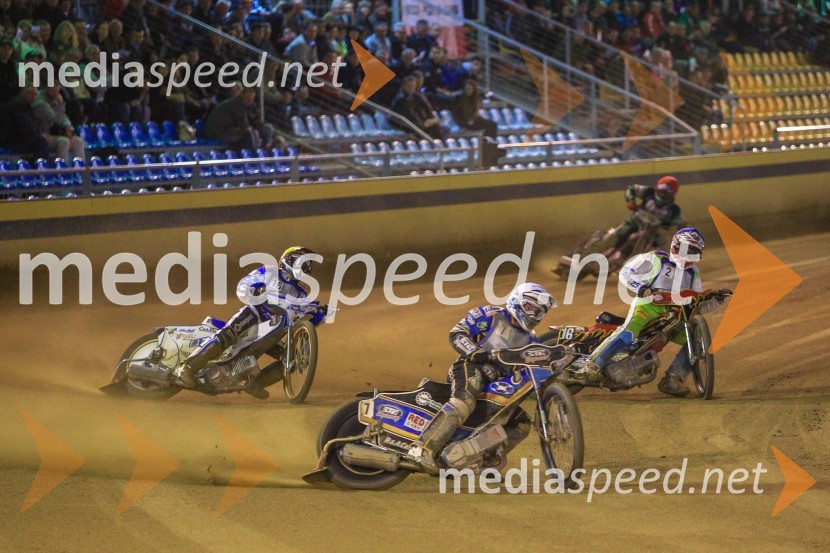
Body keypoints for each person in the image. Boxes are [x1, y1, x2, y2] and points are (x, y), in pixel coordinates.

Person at [408, 283, 556, 471]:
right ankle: (421, 449)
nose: (533, 315)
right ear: (516, 301)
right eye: (529, 307)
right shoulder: (490, 315)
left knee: (521, 423)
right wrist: (475, 351)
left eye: (539, 312)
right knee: (464, 401)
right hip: (469, 366)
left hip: (498, 384)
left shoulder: (531, 341)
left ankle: (483, 463)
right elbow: (457, 333)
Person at [578, 228, 730, 396]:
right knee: (628, 333)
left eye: (694, 252)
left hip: (674, 316)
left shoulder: (693, 273)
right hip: (647, 306)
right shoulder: (656, 258)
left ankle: (672, 379)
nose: (689, 256)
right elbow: (626, 272)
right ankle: (592, 365)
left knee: (697, 341)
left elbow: (696, 303)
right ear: (675, 246)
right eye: (687, 249)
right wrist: (640, 287)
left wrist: (716, 300)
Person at [173, 246, 330, 396]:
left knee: (292, 357)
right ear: (289, 261)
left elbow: (301, 315)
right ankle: (186, 367)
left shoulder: (302, 292)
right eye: (303, 263)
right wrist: (255, 289)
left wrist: (320, 314)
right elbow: (244, 284)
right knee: (229, 334)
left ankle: (255, 383)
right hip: (255, 313)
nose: (306, 268)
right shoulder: (269, 271)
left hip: (272, 328)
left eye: (308, 265)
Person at [609, 175, 685, 263]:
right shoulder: (649, 192)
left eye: (666, 190)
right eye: (661, 188)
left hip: (652, 231)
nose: (662, 193)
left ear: (672, 193)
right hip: (634, 222)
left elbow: (682, 224)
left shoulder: (673, 210)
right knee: (613, 236)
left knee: (664, 244)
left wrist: (682, 236)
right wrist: (631, 201)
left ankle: (660, 264)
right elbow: (631, 188)